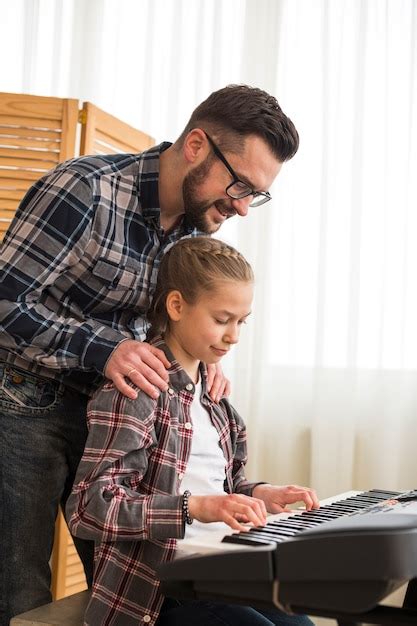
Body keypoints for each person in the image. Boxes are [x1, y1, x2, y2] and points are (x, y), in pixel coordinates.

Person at [0, 84, 299, 624]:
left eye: (257, 193)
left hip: (119, 407)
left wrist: (206, 356)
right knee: (20, 588)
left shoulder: (193, 227)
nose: (242, 207)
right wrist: (106, 348)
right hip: (24, 405)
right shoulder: (86, 191)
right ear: (196, 146)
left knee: (125, 577)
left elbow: (173, 318)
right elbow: (5, 299)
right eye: (239, 185)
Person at [66, 237, 319, 626]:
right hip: (160, 590)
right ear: (177, 306)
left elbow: (223, 487)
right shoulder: (137, 392)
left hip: (222, 568)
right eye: (222, 320)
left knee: (301, 622)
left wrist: (260, 495)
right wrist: (193, 507)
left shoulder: (215, 396)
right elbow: (89, 508)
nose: (234, 335)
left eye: (241, 321)